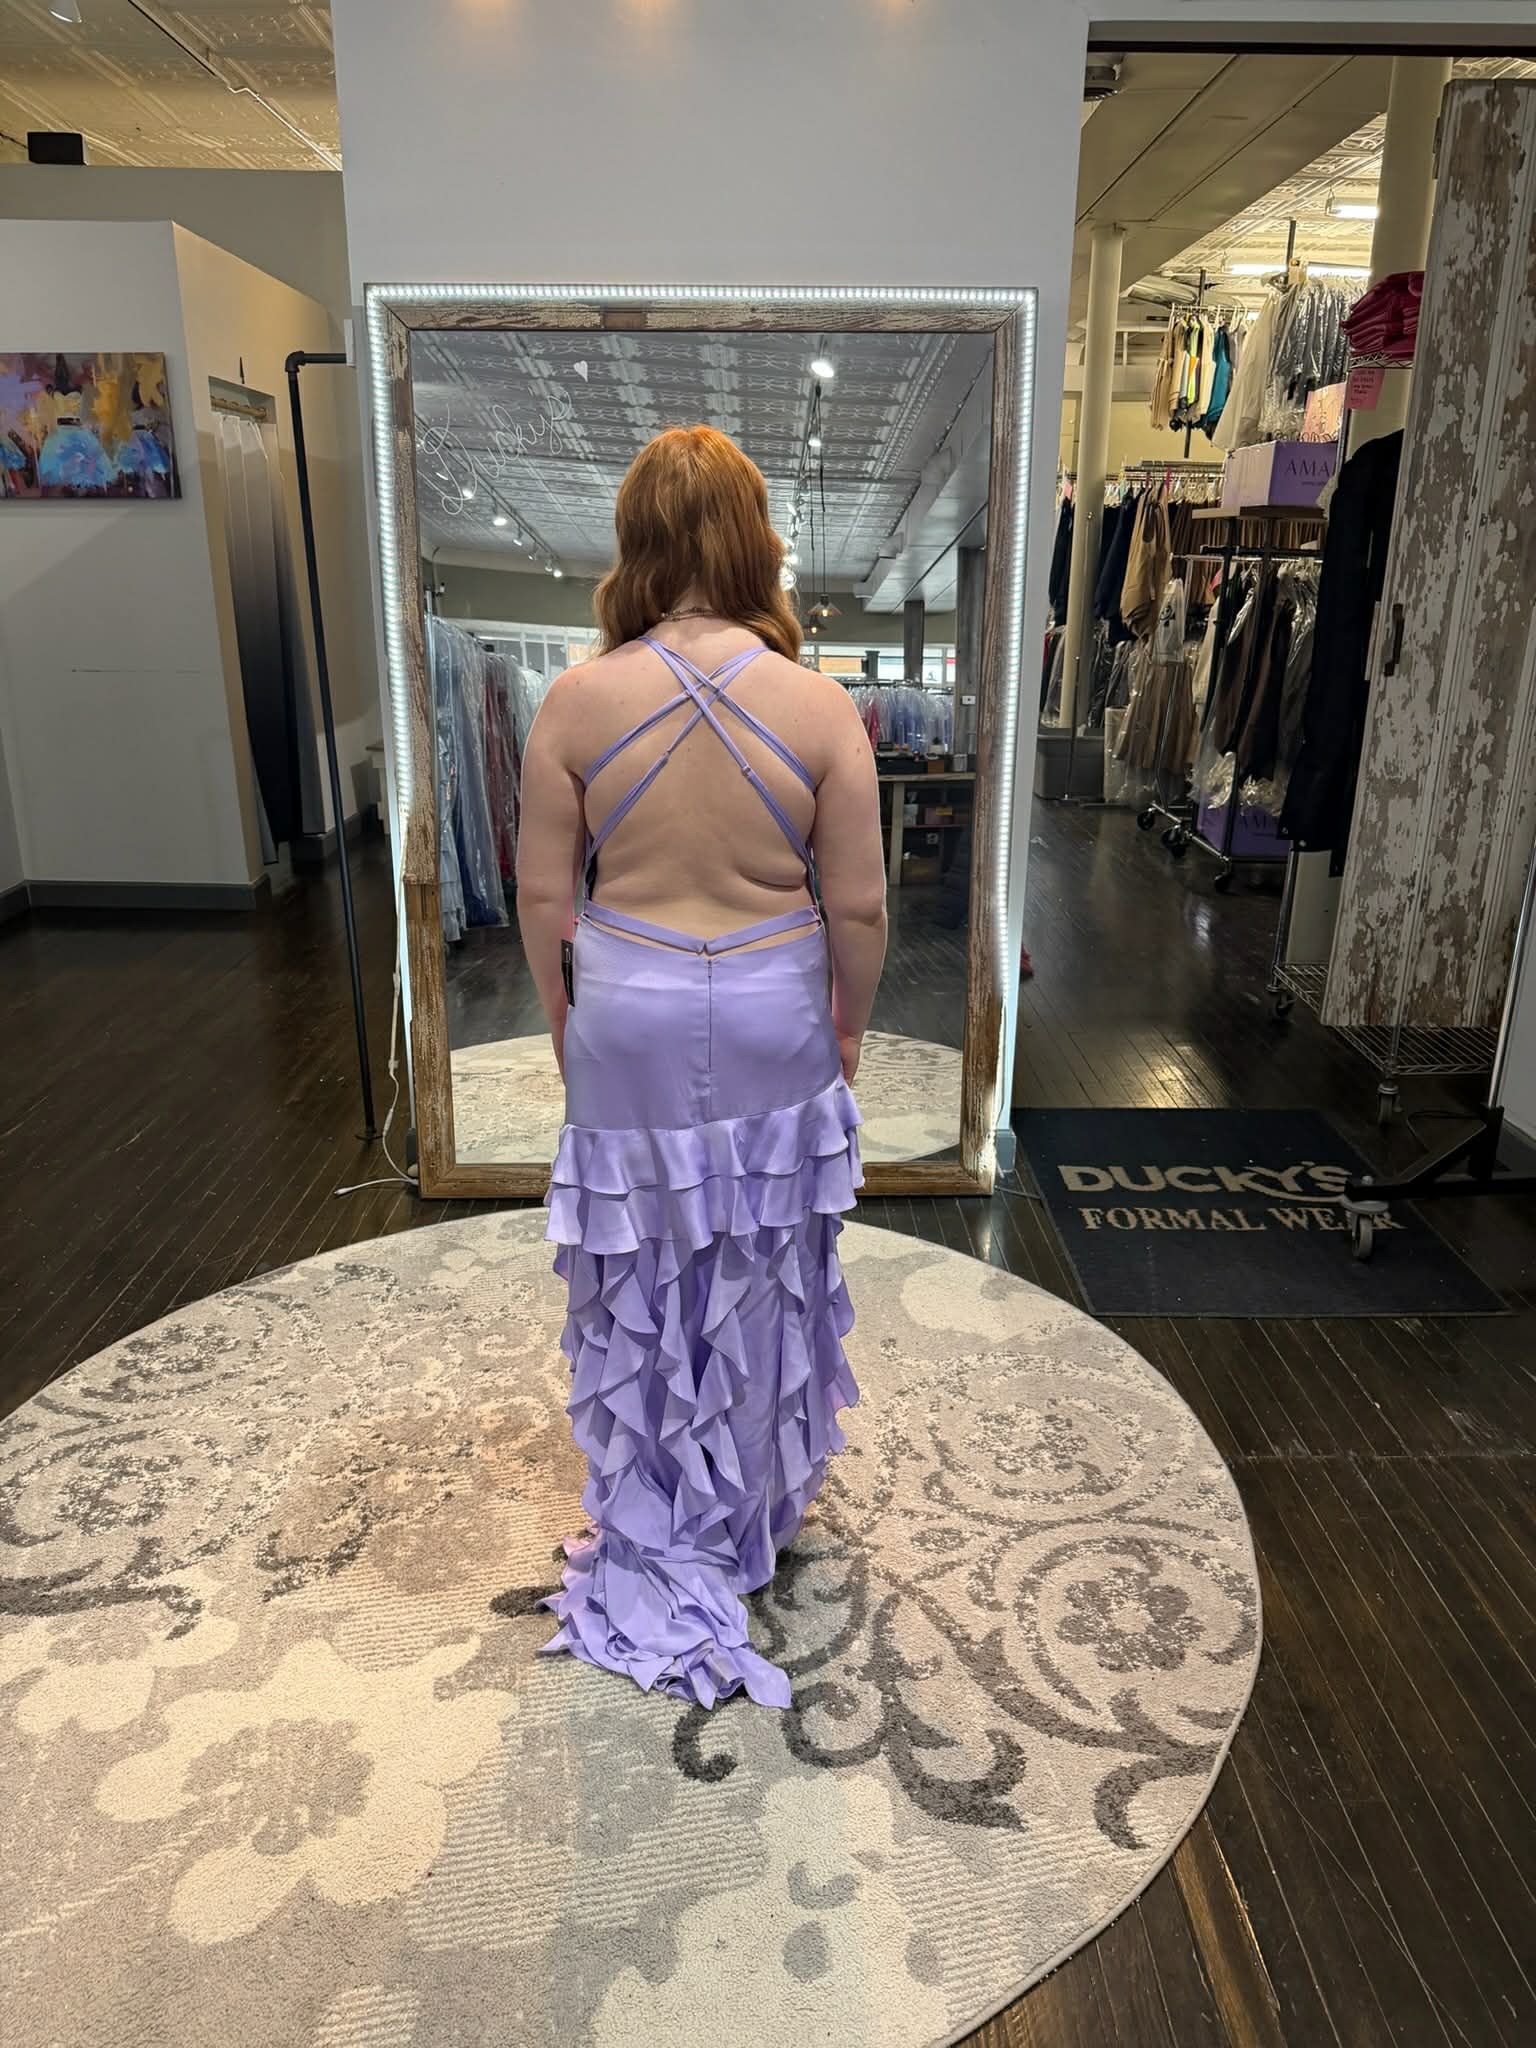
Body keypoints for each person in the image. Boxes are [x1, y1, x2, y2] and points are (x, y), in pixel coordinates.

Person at [516, 425, 888, 1708]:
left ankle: (659, 1505)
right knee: (765, 1260)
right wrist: (850, 1024)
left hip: (627, 997)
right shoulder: (821, 703)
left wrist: (567, 1025)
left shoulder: (576, 700)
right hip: (775, 1001)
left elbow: (543, 897)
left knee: (642, 1270)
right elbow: (862, 910)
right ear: (754, 539)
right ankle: (749, 1510)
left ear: (636, 544)